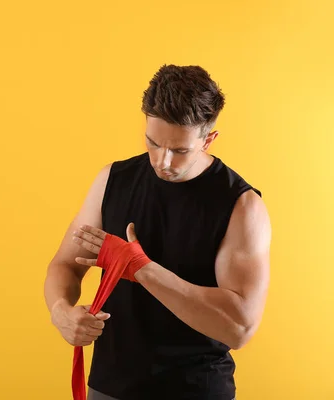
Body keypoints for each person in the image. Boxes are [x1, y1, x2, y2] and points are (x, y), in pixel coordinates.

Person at [43, 64, 271, 400]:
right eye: (153, 143)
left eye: (179, 151)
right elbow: (66, 264)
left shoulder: (241, 206)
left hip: (195, 389)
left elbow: (239, 328)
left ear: (208, 140)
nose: (162, 161)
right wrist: (60, 310)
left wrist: (143, 269)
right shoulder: (113, 180)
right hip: (110, 385)